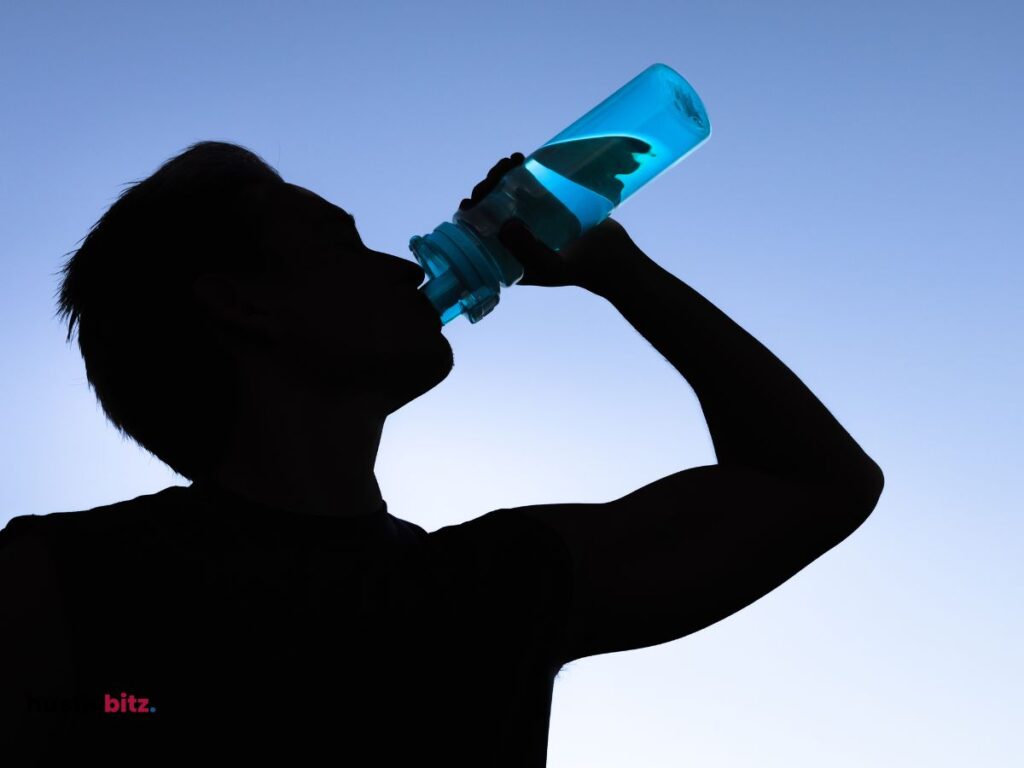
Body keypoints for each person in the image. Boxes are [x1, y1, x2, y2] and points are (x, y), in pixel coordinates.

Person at [0, 141, 883, 766]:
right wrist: (623, 277)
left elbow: (822, 485)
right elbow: (814, 482)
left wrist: (618, 267)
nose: (397, 267)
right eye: (342, 244)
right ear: (246, 307)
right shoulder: (57, 580)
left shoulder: (496, 589)